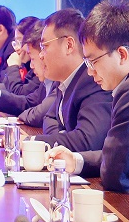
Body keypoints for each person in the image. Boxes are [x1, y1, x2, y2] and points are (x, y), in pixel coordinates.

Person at [45, 0, 129, 199]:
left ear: (121, 54)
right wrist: (76, 160)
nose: (90, 71)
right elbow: (118, 156)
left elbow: (115, 176)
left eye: (93, 61)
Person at [33, 9, 112, 151]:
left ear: (69, 45)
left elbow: (87, 141)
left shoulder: (93, 80)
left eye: (44, 46)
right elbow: (50, 118)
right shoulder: (65, 80)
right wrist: (61, 137)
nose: (41, 55)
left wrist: (33, 142)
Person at [0, 16, 45, 116]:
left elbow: (19, 93)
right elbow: (3, 81)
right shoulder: (25, 61)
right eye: (16, 42)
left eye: (20, 42)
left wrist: (13, 66)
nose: (17, 48)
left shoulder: (37, 67)